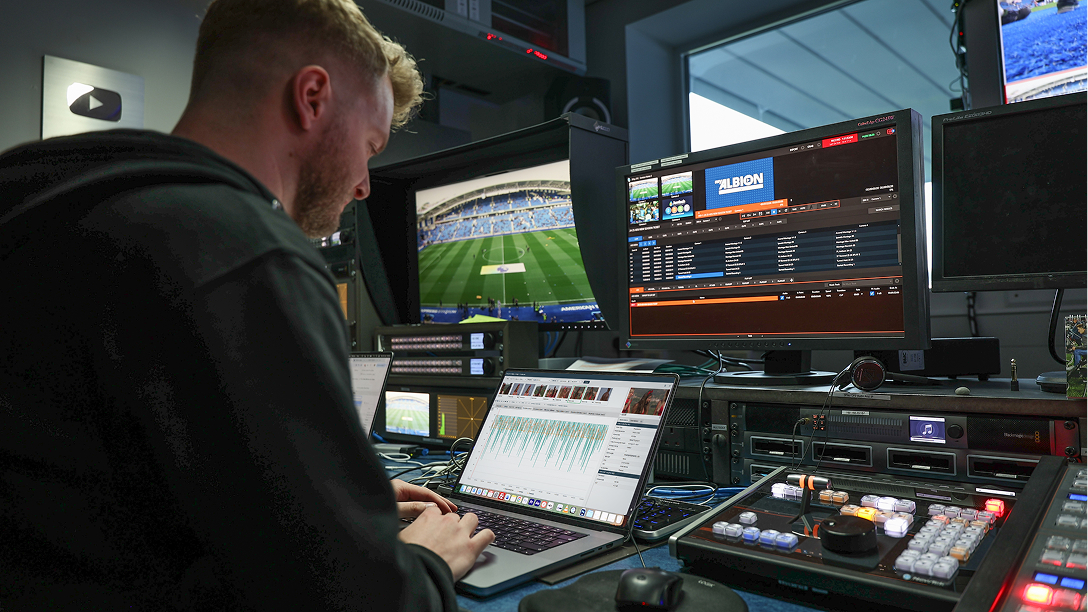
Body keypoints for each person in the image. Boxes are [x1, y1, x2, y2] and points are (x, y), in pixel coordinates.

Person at [0, 0, 492, 609]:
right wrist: (425, 562)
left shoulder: (41, 203)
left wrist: (329, 500)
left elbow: (117, 486)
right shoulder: (249, 255)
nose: (365, 184)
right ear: (312, 97)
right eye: (370, 144)